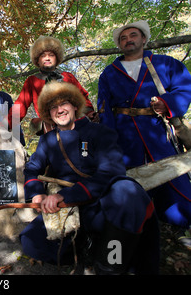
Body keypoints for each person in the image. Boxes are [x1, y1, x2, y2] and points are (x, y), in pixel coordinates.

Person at [20, 81, 159, 274]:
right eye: (53, 107)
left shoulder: (100, 132)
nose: (59, 110)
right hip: (68, 209)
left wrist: (66, 195)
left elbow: (110, 173)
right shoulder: (47, 141)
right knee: (30, 241)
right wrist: (36, 194)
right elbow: (32, 168)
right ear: (48, 113)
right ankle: (87, 250)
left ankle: (110, 264)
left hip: (102, 203)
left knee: (128, 191)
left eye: (64, 104)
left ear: (75, 106)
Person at [97, 20, 191, 229]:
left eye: (133, 35)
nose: (128, 40)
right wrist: (109, 142)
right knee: (132, 179)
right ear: (119, 45)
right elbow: (104, 108)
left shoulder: (165, 63)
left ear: (144, 39)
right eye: (123, 38)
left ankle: (181, 223)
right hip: (125, 134)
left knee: (173, 175)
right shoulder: (109, 72)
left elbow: (185, 87)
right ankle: (139, 225)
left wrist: (167, 104)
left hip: (158, 130)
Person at [8, 35, 96, 134]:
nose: (47, 58)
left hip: (74, 127)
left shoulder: (68, 76)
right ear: (37, 60)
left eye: (51, 55)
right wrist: (5, 125)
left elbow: (83, 98)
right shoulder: (32, 81)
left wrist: (89, 113)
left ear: (57, 58)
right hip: (50, 131)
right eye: (43, 56)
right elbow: (20, 106)